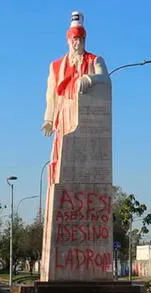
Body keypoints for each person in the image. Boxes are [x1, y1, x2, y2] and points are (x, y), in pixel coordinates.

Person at [41, 11, 109, 186]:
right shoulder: (56, 66)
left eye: (79, 39)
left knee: (86, 154)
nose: (76, 43)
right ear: (68, 40)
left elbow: (106, 79)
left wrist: (89, 78)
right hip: (64, 113)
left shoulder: (95, 60)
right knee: (61, 152)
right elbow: (51, 95)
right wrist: (48, 119)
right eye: (73, 39)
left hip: (86, 114)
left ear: (84, 40)